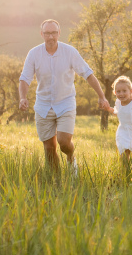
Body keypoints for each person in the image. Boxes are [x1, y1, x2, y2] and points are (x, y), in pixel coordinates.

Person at [18, 19, 110, 173]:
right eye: (47, 33)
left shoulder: (70, 52)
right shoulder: (34, 53)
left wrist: (101, 96)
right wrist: (22, 98)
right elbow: (25, 79)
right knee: (49, 148)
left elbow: (88, 74)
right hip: (43, 106)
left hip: (65, 104)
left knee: (64, 142)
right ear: (42, 34)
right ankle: (56, 180)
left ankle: (71, 158)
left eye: (54, 32)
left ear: (59, 33)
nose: (51, 36)